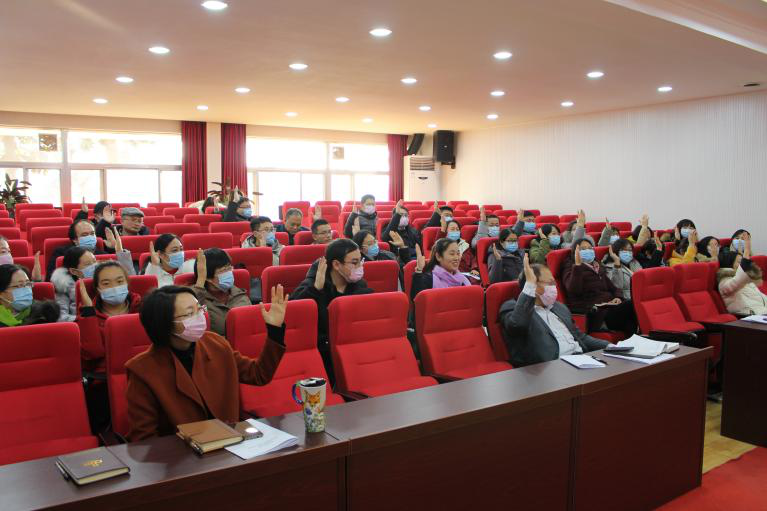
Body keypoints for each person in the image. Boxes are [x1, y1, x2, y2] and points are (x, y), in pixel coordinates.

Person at [125, 284, 287, 441]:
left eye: (199, 309)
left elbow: (258, 374)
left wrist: (275, 331)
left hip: (232, 440)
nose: (199, 316)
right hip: (183, 452)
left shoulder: (216, 344)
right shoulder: (142, 370)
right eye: (190, 313)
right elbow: (145, 439)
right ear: (165, 324)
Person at [498, 255, 609, 367]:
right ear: (534, 285)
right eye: (550, 283)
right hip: (549, 367)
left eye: (554, 283)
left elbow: (580, 337)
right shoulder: (513, 307)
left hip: (580, 359)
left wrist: (610, 346)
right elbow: (517, 325)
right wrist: (530, 285)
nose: (554, 287)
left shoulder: (559, 307)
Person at [292, 239, 373, 378]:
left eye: (361, 261)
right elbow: (293, 315)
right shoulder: (313, 284)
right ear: (336, 264)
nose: (360, 266)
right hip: (324, 351)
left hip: (353, 346)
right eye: (354, 263)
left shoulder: (359, 285)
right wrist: (315, 290)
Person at [52, 233, 134, 322]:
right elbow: (61, 317)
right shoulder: (64, 288)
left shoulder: (105, 275)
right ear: (74, 271)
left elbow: (128, 278)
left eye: (94, 261)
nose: (95, 266)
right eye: (88, 264)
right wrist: (86, 316)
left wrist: (121, 254)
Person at [562, 239, 637, 335]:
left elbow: (614, 288)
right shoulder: (571, 267)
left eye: (590, 248)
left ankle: (641, 340)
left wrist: (618, 297)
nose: (588, 251)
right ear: (575, 252)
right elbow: (573, 290)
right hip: (598, 314)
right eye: (583, 249)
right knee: (632, 305)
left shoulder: (597, 267)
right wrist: (577, 265)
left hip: (611, 307)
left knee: (631, 321)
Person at [76, 260, 139, 372]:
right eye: (106, 284)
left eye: (120, 281)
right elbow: (92, 353)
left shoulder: (142, 307)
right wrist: (89, 311)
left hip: (142, 371)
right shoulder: (87, 315)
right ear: (97, 288)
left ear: (127, 283)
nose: (114, 287)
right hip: (104, 376)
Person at [191, 248, 251, 337]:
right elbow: (190, 312)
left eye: (229, 268)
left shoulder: (239, 294)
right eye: (223, 270)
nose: (229, 273)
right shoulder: (197, 297)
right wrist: (200, 280)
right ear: (208, 277)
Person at [46, 219, 113, 280]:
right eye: (84, 235)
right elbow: (51, 279)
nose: (90, 237)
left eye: (92, 234)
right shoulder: (61, 253)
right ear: (75, 240)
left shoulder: (103, 254)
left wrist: (113, 249)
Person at [717, 235, 767, 315]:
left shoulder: (746, 281)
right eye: (739, 262)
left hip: (761, 313)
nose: (742, 265)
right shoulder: (724, 282)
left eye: (742, 262)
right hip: (747, 316)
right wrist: (746, 252)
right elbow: (737, 281)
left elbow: (762, 299)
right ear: (730, 263)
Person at [381, 200, 423, 264]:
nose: (404, 218)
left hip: (416, 259)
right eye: (401, 215)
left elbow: (419, 246)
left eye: (406, 215)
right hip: (400, 260)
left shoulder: (413, 230)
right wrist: (397, 215)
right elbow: (385, 238)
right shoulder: (388, 230)